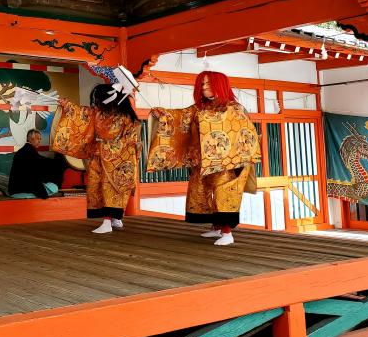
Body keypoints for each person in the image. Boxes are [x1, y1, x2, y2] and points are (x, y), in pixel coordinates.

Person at [148, 71, 261, 246]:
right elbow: (180, 117)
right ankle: (216, 227)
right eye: (202, 84)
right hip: (202, 161)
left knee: (224, 194)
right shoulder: (198, 108)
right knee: (202, 192)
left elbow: (243, 133)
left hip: (226, 162)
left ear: (220, 85)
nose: (204, 87)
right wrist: (163, 114)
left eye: (208, 84)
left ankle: (227, 233)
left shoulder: (234, 108)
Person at [52, 84, 141, 234]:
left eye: (99, 99)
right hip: (99, 158)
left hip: (118, 160)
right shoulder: (97, 113)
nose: (97, 103)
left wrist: (107, 147)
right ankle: (115, 218)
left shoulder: (126, 117)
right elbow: (82, 114)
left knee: (110, 188)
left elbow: (131, 141)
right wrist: (67, 105)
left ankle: (108, 221)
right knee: (96, 187)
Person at [8, 129, 66, 199]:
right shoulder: (28, 152)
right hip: (21, 190)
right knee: (54, 187)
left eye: (40, 139)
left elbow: (41, 161)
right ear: (30, 139)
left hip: (15, 188)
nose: (39, 141)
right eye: (37, 139)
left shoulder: (26, 150)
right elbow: (34, 173)